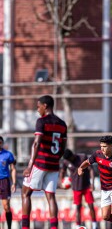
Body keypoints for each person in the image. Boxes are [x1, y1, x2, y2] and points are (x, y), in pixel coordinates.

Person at [21, 95, 67, 229]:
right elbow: (63, 147)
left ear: (45, 106)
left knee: (25, 193)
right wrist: (56, 159)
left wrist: (30, 166)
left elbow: (36, 144)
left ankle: (25, 227)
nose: (37, 109)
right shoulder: (62, 123)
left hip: (40, 164)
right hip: (54, 166)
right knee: (51, 197)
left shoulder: (42, 121)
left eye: (38, 106)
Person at [60, 149, 98, 229]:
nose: (70, 161)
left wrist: (92, 183)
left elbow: (91, 170)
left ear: (72, 155)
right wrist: (61, 182)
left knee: (91, 205)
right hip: (76, 188)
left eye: (70, 159)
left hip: (87, 186)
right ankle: (78, 226)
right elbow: (62, 171)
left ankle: (95, 225)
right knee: (77, 207)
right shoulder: (66, 162)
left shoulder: (82, 157)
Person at [0, 136, 16, 229]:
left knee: (6, 207)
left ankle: (9, 227)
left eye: (0, 142)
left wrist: (14, 183)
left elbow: (13, 169)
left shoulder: (8, 154)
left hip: (4, 181)